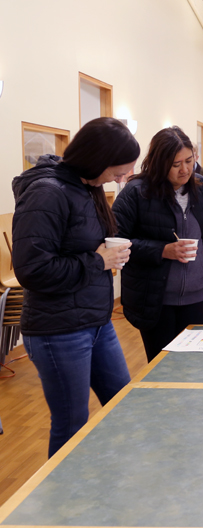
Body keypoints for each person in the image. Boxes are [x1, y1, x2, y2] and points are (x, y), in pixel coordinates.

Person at [11, 117, 140, 458]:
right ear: (98, 158)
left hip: (96, 322)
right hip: (58, 330)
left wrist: (108, 257)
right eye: (118, 171)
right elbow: (32, 270)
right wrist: (98, 262)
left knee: (122, 401)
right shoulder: (46, 193)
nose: (121, 178)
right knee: (71, 423)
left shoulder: (87, 186)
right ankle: (63, 504)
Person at [113, 127, 203, 362]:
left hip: (196, 296)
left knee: (194, 366)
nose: (185, 169)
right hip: (155, 298)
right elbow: (117, 241)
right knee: (161, 367)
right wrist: (162, 250)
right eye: (176, 164)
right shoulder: (136, 192)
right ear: (159, 162)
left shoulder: (202, 187)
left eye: (189, 160)